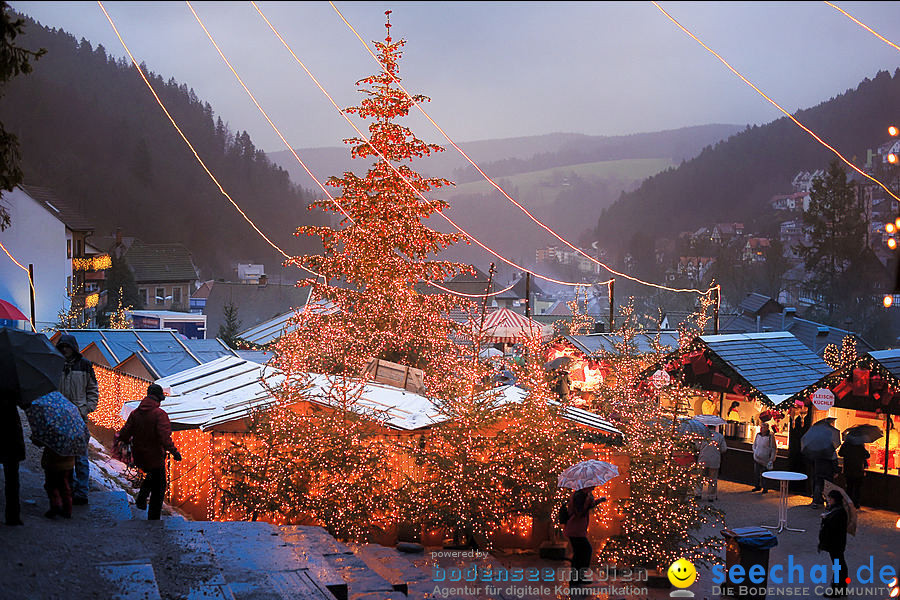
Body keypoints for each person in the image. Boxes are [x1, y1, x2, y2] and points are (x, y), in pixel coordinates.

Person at [117, 384, 181, 520]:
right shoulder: (159, 414)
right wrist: (174, 452)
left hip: (139, 455)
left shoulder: (135, 413)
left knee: (152, 475)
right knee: (159, 487)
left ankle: (142, 497)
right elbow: (164, 438)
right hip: (155, 456)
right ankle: (153, 518)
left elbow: (125, 433)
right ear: (159, 398)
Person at [56, 334, 99, 506]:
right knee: (65, 456)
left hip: (79, 416)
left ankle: (81, 492)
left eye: (67, 347)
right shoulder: (55, 364)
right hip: (60, 417)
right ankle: (69, 489)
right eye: (62, 347)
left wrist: (86, 408)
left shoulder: (85, 365)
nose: (65, 350)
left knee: (81, 456)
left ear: (73, 348)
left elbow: (93, 389)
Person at [563, 486, 606, 586]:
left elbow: (586, 508)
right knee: (584, 552)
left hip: (577, 530)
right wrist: (588, 501)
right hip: (575, 529)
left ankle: (577, 579)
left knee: (580, 554)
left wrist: (598, 501)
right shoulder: (579, 495)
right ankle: (577, 579)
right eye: (592, 485)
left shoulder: (583, 495)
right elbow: (579, 513)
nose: (594, 487)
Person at [1, 392, 25, 525]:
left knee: (12, 479)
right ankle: (12, 515)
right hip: (11, 436)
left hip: (10, 436)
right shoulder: (12, 382)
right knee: (12, 479)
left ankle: (13, 514)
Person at [818, 489, 849, 597]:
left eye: (830, 498)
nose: (828, 500)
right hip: (837, 543)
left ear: (834, 499)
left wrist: (825, 519)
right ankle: (842, 587)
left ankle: (837, 589)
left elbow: (833, 527)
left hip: (835, 544)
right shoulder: (837, 510)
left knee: (838, 566)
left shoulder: (839, 512)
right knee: (839, 564)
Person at [810, 418, 840, 508]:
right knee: (828, 487)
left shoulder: (817, 446)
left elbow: (812, 457)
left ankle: (816, 502)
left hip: (819, 469)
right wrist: (836, 470)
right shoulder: (830, 447)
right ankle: (828, 503)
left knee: (818, 485)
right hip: (828, 470)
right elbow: (834, 459)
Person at [41, 447, 75, 519]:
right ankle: (67, 509)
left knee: (51, 486)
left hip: (52, 463)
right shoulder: (73, 437)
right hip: (68, 465)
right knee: (65, 487)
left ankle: (56, 506)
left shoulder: (53, 437)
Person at [697, 424, 727, 501]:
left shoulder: (702, 435)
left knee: (700, 477)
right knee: (713, 479)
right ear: (715, 427)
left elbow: (697, 446)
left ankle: (698, 493)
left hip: (703, 458)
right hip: (714, 460)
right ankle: (711, 496)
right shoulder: (719, 436)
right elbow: (724, 449)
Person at [838, 440, 869, 509]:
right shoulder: (860, 445)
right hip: (858, 470)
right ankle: (856, 503)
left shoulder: (846, 444)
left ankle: (849, 503)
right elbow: (867, 455)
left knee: (849, 487)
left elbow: (840, 453)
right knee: (857, 488)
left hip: (848, 469)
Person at [751, 421, 776, 493]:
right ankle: (757, 486)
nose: (761, 429)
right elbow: (754, 444)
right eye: (761, 427)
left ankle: (765, 488)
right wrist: (755, 451)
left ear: (767, 428)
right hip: (757, 457)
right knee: (756, 473)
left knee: (764, 474)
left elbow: (773, 448)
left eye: (763, 428)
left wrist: (771, 459)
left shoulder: (770, 437)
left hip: (766, 459)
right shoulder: (758, 435)